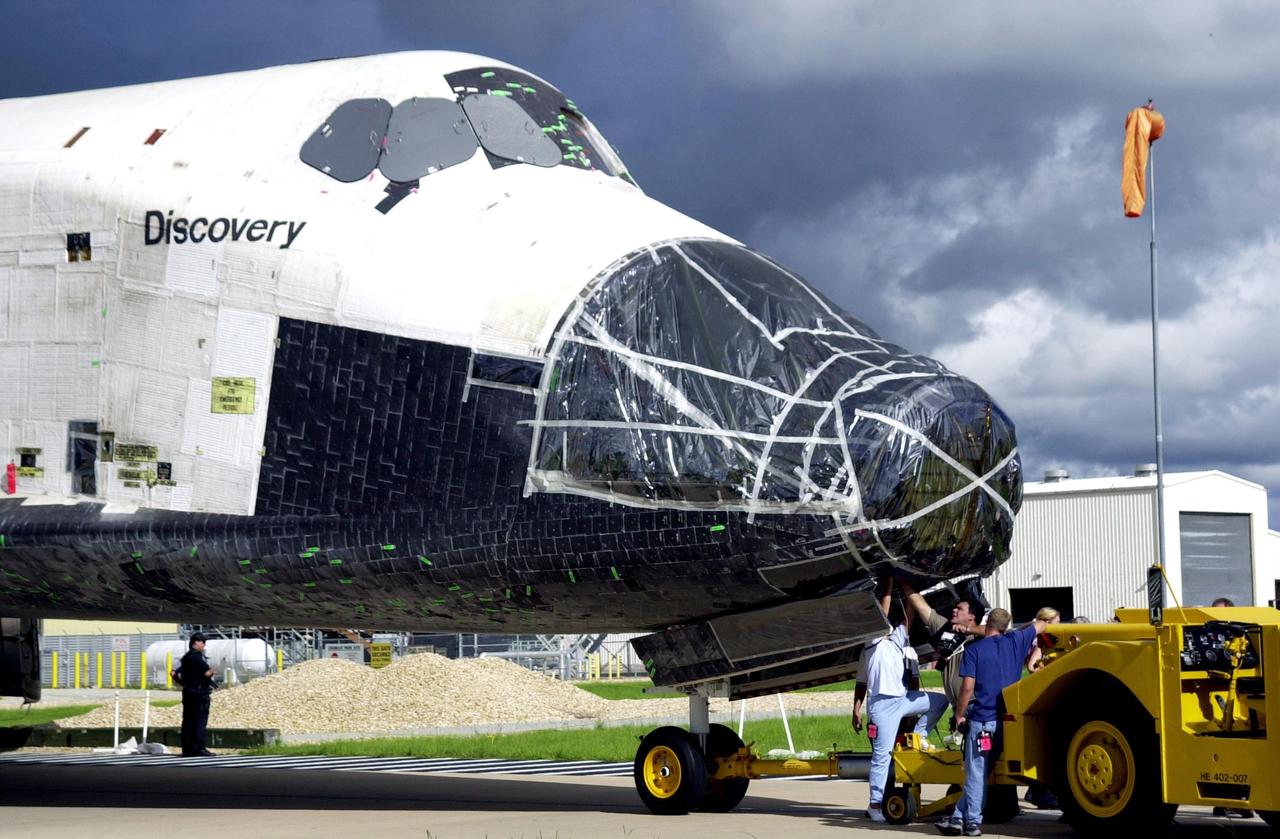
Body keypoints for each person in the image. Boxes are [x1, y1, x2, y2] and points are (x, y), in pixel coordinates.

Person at [937, 608, 1049, 837]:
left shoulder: (974, 650)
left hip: (982, 721)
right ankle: (958, 817)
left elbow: (967, 688)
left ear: (986, 625)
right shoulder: (1017, 640)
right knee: (983, 772)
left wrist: (959, 715)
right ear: (1006, 626)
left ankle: (971, 822)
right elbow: (1042, 622)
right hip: (1006, 723)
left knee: (976, 773)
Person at [858, 579, 949, 823]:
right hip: (882, 706)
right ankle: (875, 804)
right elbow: (883, 613)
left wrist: (906, 589)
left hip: (902, 699)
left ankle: (920, 736)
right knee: (882, 756)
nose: (887, 624)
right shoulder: (871, 642)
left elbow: (908, 617)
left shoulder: (896, 642)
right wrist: (887, 587)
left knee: (939, 701)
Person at [900, 580, 985, 718]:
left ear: (972, 616)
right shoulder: (944, 629)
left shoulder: (979, 638)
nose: (954, 610)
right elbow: (921, 605)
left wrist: (968, 630)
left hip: (976, 705)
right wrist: (902, 579)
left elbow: (1000, 630)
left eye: (959, 609)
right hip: (958, 706)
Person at [172, 632, 217, 757]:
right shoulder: (197, 657)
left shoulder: (185, 658)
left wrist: (183, 684)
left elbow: (173, 673)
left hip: (188, 692)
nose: (204, 645)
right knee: (200, 720)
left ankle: (187, 749)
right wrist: (213, 670)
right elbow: (207, 673)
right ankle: (199, 748)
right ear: (196, 642)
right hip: (200, 693)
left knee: (188, 720)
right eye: (202, 642)